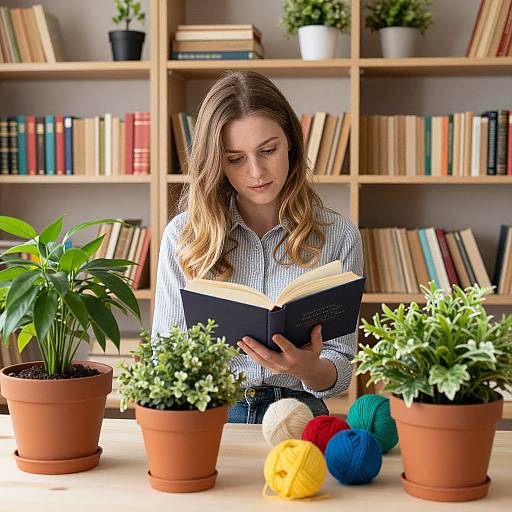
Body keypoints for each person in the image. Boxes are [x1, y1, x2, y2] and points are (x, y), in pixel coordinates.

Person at [152, 70, 363, 424]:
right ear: (216, 161)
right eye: (235, 158)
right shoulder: (184, 236)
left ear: (291, 142)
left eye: (268, 150)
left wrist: (311, 370)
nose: (256, 171)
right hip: (213, 409)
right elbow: (164, 357)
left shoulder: (338, 235)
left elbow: (342, 367)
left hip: (300, 409)